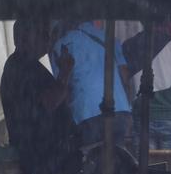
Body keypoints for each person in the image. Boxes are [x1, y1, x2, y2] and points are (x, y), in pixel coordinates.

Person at [0, 18, 75, 174]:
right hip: (38, 158)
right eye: (42, 35)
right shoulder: (20, 68)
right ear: (24, 37)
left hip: (46, 158)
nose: (47, 40)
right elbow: (49, 103)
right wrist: (64, 73)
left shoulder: (30, 66)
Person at [51, 19, 133, 149]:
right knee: (118, 160)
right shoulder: (110, 39)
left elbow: (63, 90)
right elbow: (125, 76)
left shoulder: (62, 46)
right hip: (120, 112)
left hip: (87, 115)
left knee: (93, 162)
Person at [124, 25, 171, 150]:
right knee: (170, 166)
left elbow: (126, 82)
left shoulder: (129, 45)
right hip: (170, 118)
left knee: (145, 167)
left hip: (143, 118)